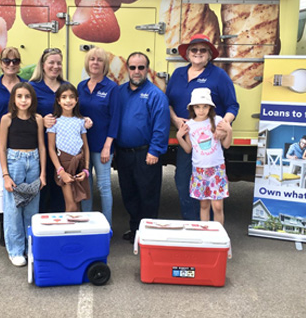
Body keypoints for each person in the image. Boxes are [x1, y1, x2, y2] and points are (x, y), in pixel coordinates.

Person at [166, 34, 239, 221]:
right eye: (194, 50)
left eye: (203, 50)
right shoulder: (178, 74)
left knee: (212, 193)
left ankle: (212, 231)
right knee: (183, 182)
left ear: (209, 55)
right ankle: (192, 224)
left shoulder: (218, 75)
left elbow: (232, 105)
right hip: (189, 137)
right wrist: (175, 120)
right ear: (188, 54)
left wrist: (224, 125)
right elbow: (168, 102)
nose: (198, 53)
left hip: (211, 140)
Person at [115, 52, 170, 243]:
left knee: (147, 196)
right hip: (123, 154)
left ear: (147, 69)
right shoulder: (119, 92)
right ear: (127, 69)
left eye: (141, 67)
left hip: (146, 154)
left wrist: (154, 151)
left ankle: (148, 235)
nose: (136, 71)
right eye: (132, 67)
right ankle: (135, 230)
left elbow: (161, 126)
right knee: (129, 194)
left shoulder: (156, 95)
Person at [0, 82, 46, 266]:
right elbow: (2, 148)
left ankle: (30, 248)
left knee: (32, 208)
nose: (23, 100)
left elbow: (42, 146)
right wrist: (5, 175)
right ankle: (16, 250)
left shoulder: (38, 119)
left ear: (32, 99)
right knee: (13, 208)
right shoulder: (7, 119)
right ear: (13, 99)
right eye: (19, 96)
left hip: (33, 161)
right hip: (14, 162)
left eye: (27, 96)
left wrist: (43, 174)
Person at [0, 47, 26, 246]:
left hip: (21, 143)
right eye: (7, 61)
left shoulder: (26, 86)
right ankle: (5, 227)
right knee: (3, 186)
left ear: (19, 64)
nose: (11, 64)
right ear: (1, 63)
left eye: (15, 61)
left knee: (21, 184)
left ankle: (21, 226)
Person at [176, 88, 232, 225]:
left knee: (218, 206)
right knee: (204, 205)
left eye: (205, 106)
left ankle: (219, 235)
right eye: (197, 107)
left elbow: (226, 145)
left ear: (210, 107)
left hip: (217, 169)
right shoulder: (190, 125)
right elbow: (189, 149)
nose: (201, 110)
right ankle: (205, 234)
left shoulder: (217, 120)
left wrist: (229, 130)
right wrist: (179, 136)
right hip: (199, 170)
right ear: (192, 108)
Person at [78, 47, 120, 226]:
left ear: (105, 64)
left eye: (99, 60)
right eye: (92, 59)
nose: (95, 62)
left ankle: (107, 227)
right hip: (83, 146)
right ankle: (87, 224)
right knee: (85, 186)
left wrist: (107, 145)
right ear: (87, 63)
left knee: (104, 187)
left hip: (102, 146)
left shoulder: (112, 88)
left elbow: (115, 118)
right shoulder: (81, 86)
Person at [30, 48, 66, 212]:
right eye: (51, 62)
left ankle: (58, 230)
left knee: (61, 188)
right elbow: (23, 115)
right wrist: (40, 120)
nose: (55, 66)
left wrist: (84, 119)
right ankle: (42, 228)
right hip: (41, 147)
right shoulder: (32, 87)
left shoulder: (66, 87)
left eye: (58, 63)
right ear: (43, 65)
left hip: (64, 148)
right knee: (43, 188)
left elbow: (75, 111)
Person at [47, 83, 90, 212]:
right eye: (64, 97)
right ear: (58, 101)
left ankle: (76, 231)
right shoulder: (54, 122)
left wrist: (86, 169)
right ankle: (66, 230)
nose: (68, 100)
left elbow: (86, 147)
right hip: (64, 165)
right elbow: (51, 148)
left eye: (71, 97)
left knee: (77, 204)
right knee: (70, 205)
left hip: (79, 164)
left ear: (76, 100)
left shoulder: (80, 121)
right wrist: (61, 171)